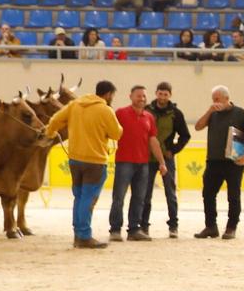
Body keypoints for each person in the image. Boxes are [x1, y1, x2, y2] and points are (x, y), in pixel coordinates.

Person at [46, 81, 123, 250]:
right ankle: (84, 236)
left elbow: (55, 119)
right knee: (89, 199)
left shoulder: (75, 105)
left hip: (75, 160)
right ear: (109, 94)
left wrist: (49, 133)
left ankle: (78, 234)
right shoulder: (106, 110)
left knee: (79, 197)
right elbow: (116, 134)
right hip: (95, 161)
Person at [106, 84, 166, 243]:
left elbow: (153, 141)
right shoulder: (120, 113)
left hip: (143, 164)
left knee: (139, 198)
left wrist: (161, 162)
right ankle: (115, 230)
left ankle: (134, 229)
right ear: (131, 97)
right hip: (124, 162)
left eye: (144, 96)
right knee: (118, 197)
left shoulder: (149, 117)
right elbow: (109, 132)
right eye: (138, 95)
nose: (142, 98)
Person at [195, 86, 244, 239]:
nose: (215, 102)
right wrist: (209, 111)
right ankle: (210, 226)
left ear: (226, 98)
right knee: (208, 194)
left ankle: (231, 227)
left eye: (217, 99)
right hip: (213, 161)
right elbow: (198, 127)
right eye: (213, 99)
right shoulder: (213, 114)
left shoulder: (241, 114)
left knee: (233, 195)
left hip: (233, 163)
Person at [148, 82, 191, 238]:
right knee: (145, 193)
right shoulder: (147, 110)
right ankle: (144, 225)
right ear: (156, 93)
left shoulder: (176, 114)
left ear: (170, 95)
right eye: (160, 93)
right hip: (148, 158)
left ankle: (173, 225)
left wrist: (173, 150)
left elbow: (185, 135)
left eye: (166, 94)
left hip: (166, 159)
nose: (163, 97)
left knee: (170, 192)